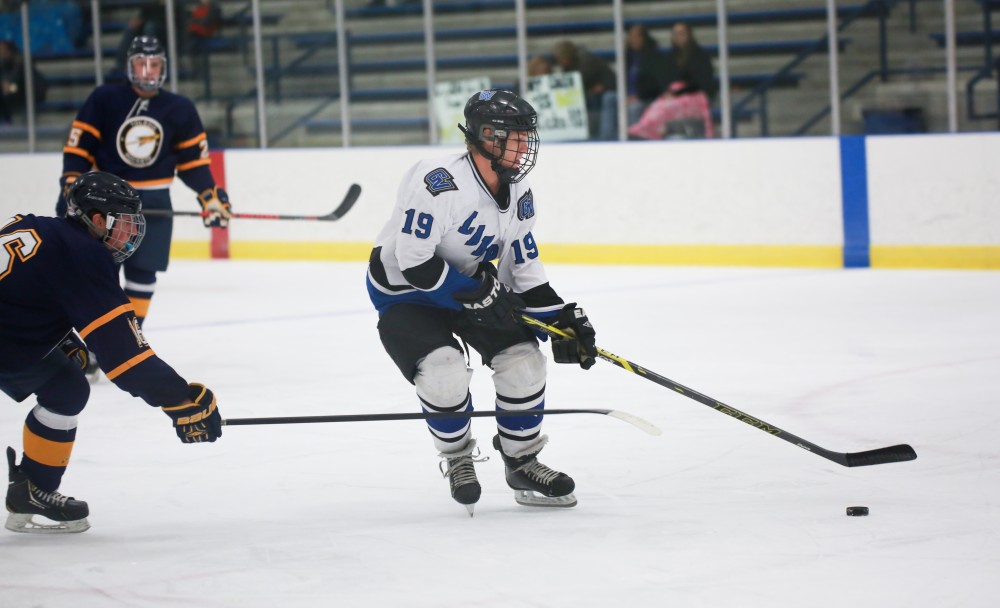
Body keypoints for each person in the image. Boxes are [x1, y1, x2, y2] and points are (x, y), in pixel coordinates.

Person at [366, 89, 599, 516]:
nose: (527, 146)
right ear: (487, 137)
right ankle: (457, 458)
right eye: (518, 136)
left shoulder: (519, 190)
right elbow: (413, 262)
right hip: (405, 293)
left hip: (468, 287)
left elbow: (523, 265)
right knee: (443, 370)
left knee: (525, 361)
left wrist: (561, 317)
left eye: (529, 137)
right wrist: (477, 294)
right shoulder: (438, 181)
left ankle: (522, 462)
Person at [1, 171, 224, 535]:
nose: (131, 233)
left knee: (66, 387)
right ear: (97, 219)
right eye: (124, 223)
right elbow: (123, 355)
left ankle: (32, 490)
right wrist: (179, 399)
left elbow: (20, 291)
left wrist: (55, 337)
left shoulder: (42, 228)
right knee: (65, 384)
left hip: (9, 339)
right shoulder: (84, 254)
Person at [56, 35, 231, 333]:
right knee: (96, 272)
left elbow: (194, 163)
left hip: (154, 201)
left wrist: (209, 195)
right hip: (104, 201)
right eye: (142, 63)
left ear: (164, 67)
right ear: (130, 66)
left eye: (155, 64)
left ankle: (124, 338)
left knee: (143, 273)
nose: (148, 71)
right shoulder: (104, 98)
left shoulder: (180, 108)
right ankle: (86, 337)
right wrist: (72, 182)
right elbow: (78, 148)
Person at [628, 22, 716, 140]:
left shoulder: (700, 56)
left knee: (666, 105)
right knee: (660, 103)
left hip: (695, 96)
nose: (678, 36)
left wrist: (679, 92)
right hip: (674, 95)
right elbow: (664, 80)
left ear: (689, 35)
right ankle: (647, 131)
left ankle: (647, 129)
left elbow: (701, 83)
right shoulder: (669, 57)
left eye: (681, 33)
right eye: (675, 34)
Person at [551, 40, 617, 140]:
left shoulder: (586, 62)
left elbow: (610, 79)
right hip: (590, 94)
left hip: (603, 93)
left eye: (559, 59)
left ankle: (603, 136)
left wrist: (602, 87)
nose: (559, 62)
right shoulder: (569, 67)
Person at [624, 24, 667, 128]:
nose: (632, 39)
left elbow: (655, 84)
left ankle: (632, 137)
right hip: (627, 97)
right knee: (610, 98)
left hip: (646, 98)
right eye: (630, 36)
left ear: (643, 38)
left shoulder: (653, 57)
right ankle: (608, 136)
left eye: (636, 36)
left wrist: (638, 96)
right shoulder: (627, 57)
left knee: (633, 108)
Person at [0, 39, 47, 124]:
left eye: (2, 49)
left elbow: (17, 82)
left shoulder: (20, 62)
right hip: (16, 90)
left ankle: (24, 124)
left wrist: (9, 86)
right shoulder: (4, 63)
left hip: (29, 91)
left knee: (11, 92)